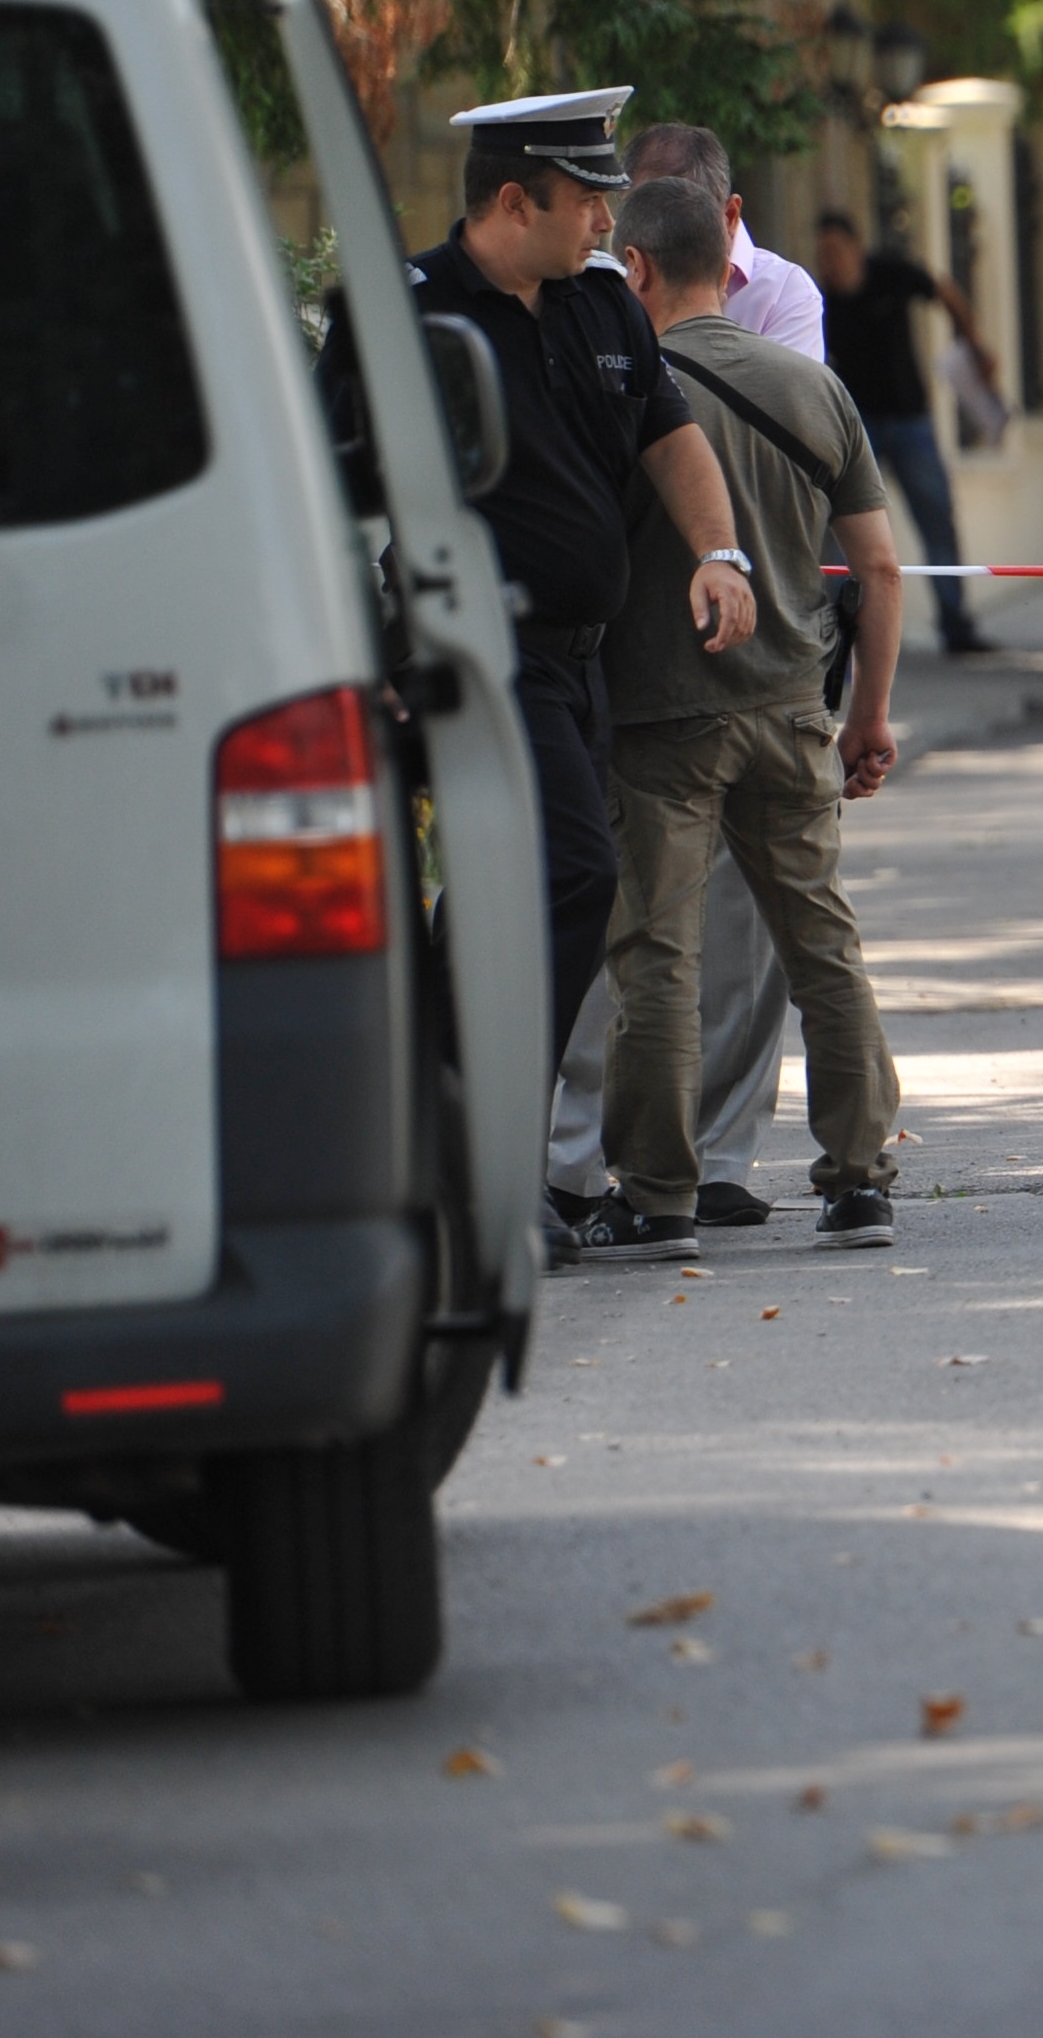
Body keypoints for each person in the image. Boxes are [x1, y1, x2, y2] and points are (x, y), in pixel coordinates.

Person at [319, 87, 756, 1266]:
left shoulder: (602, 307)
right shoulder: (400, 313)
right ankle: (485, 1158)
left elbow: (670, 438)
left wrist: (718, 553)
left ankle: (456, 1130)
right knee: (570, 871)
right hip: (468, 655)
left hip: (577, 664)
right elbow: (332, 489)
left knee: (524, 887)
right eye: (590, 198)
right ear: (517, 200)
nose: (611, 219)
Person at [570, 173, 908, 1261]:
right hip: (790, 708)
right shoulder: (813, 387)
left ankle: (659, 1194)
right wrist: (869, 717)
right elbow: (882, 567)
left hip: (661, 719)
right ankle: (859, 1179)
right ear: (731, 258)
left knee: (655, 954)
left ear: (638, 268)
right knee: (821, 940)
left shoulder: (623, 391)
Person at [543, 120, 831, 1233]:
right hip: (631, 649)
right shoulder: (586, 297)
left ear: (721, 217)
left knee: (746, 926)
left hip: (760, 648)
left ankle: (713, 1161)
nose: (626, 236)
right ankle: (591, 1161)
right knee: (630, 917)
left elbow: (767, 446)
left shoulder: (787, 299)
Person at [810, 208, 989, 655]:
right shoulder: (820, 299)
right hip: (858, 429)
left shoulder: (891, 271)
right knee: (844, 529)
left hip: (911, 420)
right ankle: (840, 636)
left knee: (937, 517)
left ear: (855, 247)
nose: (830, 262)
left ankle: (956, 625)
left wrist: (973, 343)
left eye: (836, 251)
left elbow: (943, 291)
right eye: (823, 254)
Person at [629, 121, 825, 353]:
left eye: (684, 221)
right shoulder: (617, 284)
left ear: (730, 215)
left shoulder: (785, 293)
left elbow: (781, 388)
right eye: (643, 217)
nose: (662, 237)